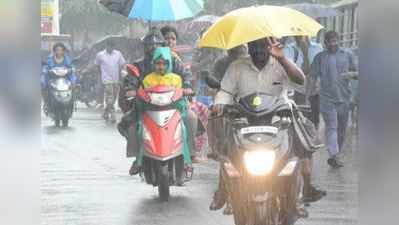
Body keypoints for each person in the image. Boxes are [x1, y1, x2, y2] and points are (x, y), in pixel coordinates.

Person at [209, 37, 322, 215]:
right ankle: (223, 192)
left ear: (269, 47)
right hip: (244, 119)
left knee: (304, 141)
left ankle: (303, 192)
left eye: (263, 46)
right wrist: (219, 104)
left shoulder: (281, 63)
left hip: (280, 118)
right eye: (254, 46)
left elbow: (300, 81)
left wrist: (282, 58)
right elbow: (226, 92)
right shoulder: (237, 66)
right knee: (225, 149)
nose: (259, 50)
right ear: (249, 47)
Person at [117, 27, 196, 175]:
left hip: (173, 105)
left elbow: (186, 75)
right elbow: (131, 80)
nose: (153, 47)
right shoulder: (139, 65)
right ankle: (138, 157)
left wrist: (187, 86)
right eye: (149, 45)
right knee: (130, 124)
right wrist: (131, 89)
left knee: (191, 118)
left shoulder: (173, 61)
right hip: (147, 106)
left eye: (157, 44)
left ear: (162, 45)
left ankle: (189, 156)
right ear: (144, 47)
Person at [309, 31, 358, 168]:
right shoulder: (320, 57)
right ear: (325, 43)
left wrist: (351, 74)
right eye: (329, 42)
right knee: (331, 127)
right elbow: (312, 76)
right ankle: (334, 154)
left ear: (338, 41)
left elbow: (358, 73)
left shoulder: (347, 55)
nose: (332, 44)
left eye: (335, 41)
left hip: (344, 98)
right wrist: (309, 94)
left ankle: (336, 154)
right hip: (326, 99)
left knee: (342, 129)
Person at [208, 45, 247, 160]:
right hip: (226, 97)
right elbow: (213, 84)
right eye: (234, 49)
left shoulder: (250, 62)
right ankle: (217, 147)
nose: (238, 50)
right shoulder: (221, 63)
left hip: (248, 99)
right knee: (214, 114)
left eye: (241, 48)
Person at [284, 36, 323, 128]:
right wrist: (305, 54)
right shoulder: (289, 49)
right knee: (301, 123)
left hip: (316, 92)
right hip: (299, 92)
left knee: (315, 122)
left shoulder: (318, 47)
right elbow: (304, 72)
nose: (301, 36)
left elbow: (320, 70)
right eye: (298, 34)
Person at [95, 39, 126, 122]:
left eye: (112, 47)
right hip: (106, 79)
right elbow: (97, 66)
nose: (110, 48)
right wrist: (100, 76)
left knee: (114, 97)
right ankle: (112, 115)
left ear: (113, 47)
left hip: (116, 79)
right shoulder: (100, 55)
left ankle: (105, 112)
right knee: (110, 97)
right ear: (106, 46)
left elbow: (122, 64)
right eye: (109, 46)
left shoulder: (118, 54)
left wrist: (123, 72)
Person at [41, 42, 78, 111]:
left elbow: (70, 65)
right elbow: (47, 66)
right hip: (53, 76)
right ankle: (46, 102)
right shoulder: (50, 58)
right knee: (43, 82)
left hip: (66, 76)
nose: (59, 51)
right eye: (57, 50)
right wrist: (46, 70)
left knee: (74, 82)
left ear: (63, 51)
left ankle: (72, 102)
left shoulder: (67, 58)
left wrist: (72, 69)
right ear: (54, 51)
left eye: (61, 50)